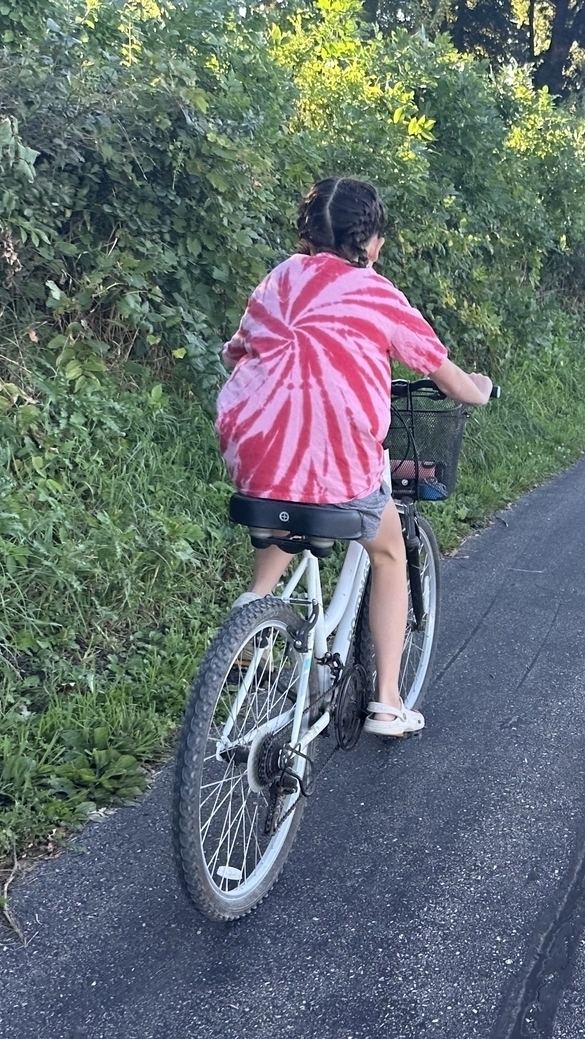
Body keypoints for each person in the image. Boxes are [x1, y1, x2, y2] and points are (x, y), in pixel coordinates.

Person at [217, 177, 493, 738]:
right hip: (338, 464)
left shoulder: (277, 280)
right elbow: (450, 379)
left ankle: (251, 615)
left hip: (254, 451)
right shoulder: (376, 293)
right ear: (372, 243)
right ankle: (388, 702)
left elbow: (237, 353)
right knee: (388, 552)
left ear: (308, 234)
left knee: (284, 507)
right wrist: (481, 387)